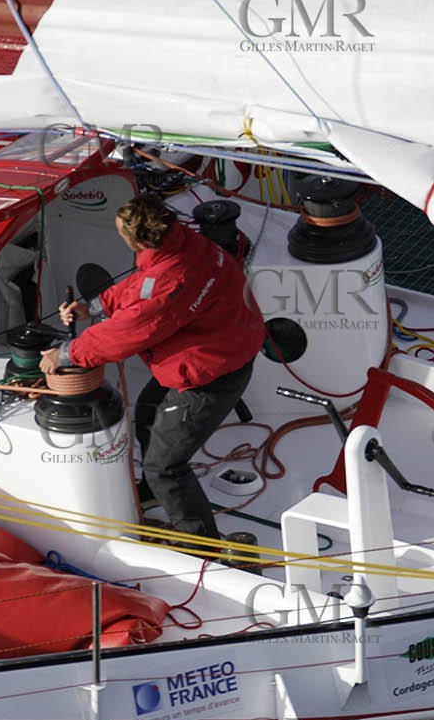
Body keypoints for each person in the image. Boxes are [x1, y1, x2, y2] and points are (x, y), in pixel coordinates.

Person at [40, 194, 266, 543]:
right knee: (147, 414)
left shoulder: (169, 286)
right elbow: (143, 284)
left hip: (211, 375)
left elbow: (127, 331)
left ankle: (201, 545)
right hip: (225, 346)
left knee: (165, 467)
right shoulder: (185, 243)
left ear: (138, 239)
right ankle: (151, 491)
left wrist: (66, 353)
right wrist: (94, 307)